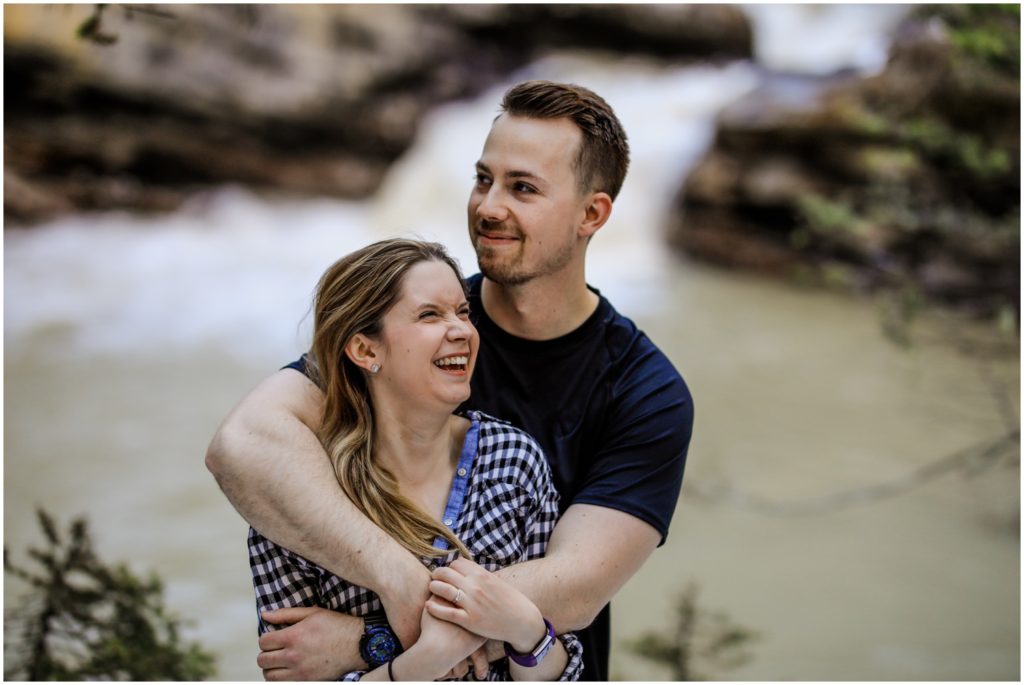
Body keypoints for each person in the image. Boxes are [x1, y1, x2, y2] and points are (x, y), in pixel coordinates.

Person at [207, 80, 694, 681]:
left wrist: (375, 640)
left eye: (523, 188)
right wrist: (398, 578)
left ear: (591, 214)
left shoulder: (645, 392)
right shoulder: (414, 331)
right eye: (483, 179)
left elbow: (573, 589)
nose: (488, 207)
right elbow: (242, 446)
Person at [250, 238, 582, 681]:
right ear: (366, 350)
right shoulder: (304, 492)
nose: (462, 330)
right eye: (430, 315)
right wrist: (425, 660)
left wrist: (525, 629)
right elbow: (292, 670)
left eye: (463, 312)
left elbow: (559, 667)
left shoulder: (514, 460)